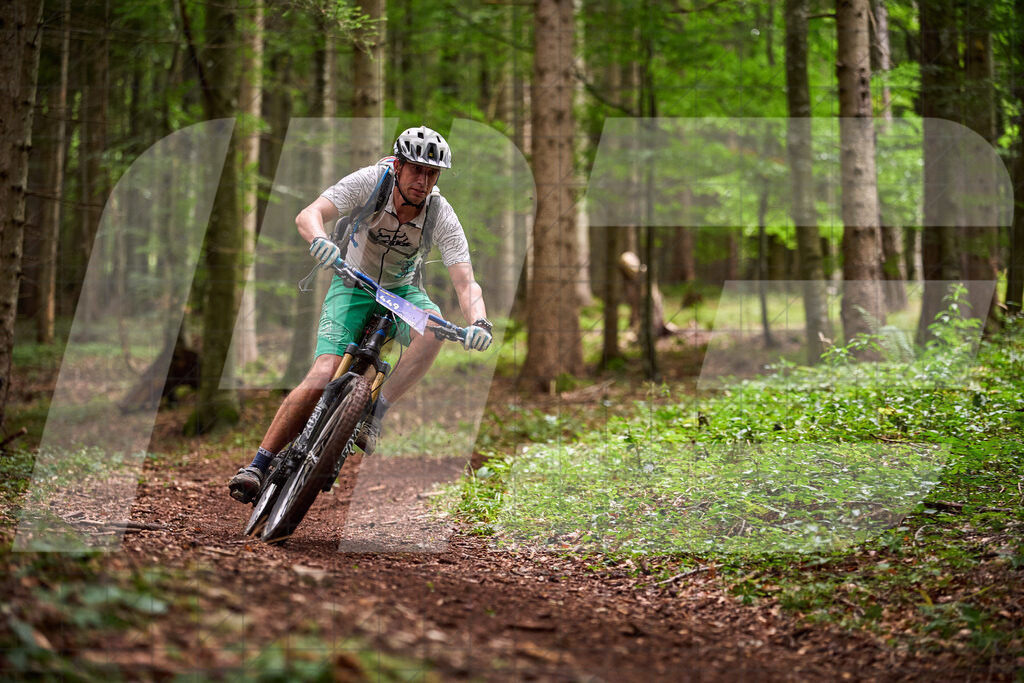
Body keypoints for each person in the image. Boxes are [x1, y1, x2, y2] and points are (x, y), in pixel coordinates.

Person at [229, 126, 492, 503]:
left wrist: (479, 321)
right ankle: (258, 463)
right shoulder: (372, 182)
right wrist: (319, 240)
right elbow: (310, 214)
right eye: (416, 169)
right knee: (322, 373)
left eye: (432, 173)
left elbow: (466, 282)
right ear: (398, 166)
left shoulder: (440, 213)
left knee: (433, 329)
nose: (423, 180)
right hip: (351, 282)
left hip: (402, 293)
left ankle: (375, 412)